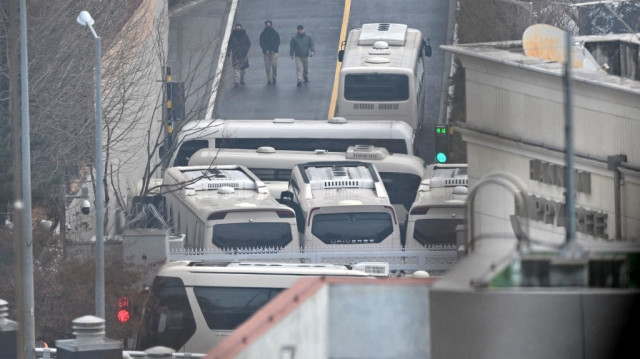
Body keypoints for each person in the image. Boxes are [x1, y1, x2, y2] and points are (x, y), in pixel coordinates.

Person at [259, 20, 280, 85]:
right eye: (267, 24)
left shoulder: (275, 33)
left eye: (269, 24)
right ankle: (269, 79)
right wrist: (265, 50)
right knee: (267, 67)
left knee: (274, 65)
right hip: (266, 53)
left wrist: (274, 49)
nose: (268, 25)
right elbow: (261, 42)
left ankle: (274, 77)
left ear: (271, 24)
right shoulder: (263, 33)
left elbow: (278, 41)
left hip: (274, 52)